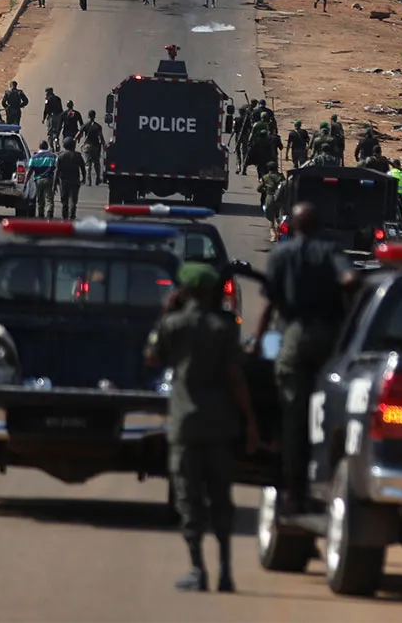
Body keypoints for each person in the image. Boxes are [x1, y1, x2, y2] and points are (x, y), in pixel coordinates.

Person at [146, 263, 261, 593]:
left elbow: (152, 356)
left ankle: (198, 569)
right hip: (220, 425)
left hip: (186, 425)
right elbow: (237, 379)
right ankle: (225, 570)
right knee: (221, 499)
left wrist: (165, 315)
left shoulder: (173, 324)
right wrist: (251, 422)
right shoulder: (223, 328)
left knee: (189, 498)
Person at [254, 201, 355, 513]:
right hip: (330, 338)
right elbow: (350, 279)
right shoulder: (331, 251)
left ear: (294, 226)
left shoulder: (282, 254)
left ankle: (293, 490)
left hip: (293, 336)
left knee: (292, 416)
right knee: (331, 408)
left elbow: (270, 303)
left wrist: (258, 342)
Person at [55, 139, 86, 219]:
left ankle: (64, 216)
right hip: (75, 181)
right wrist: (84, 178)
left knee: (64, 201)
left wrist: (54, 184)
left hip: (64, 182)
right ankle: (72, 215)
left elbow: (57, 171)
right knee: (73, 200)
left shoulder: (60, 156)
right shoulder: (78, 156)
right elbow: (83, 168)